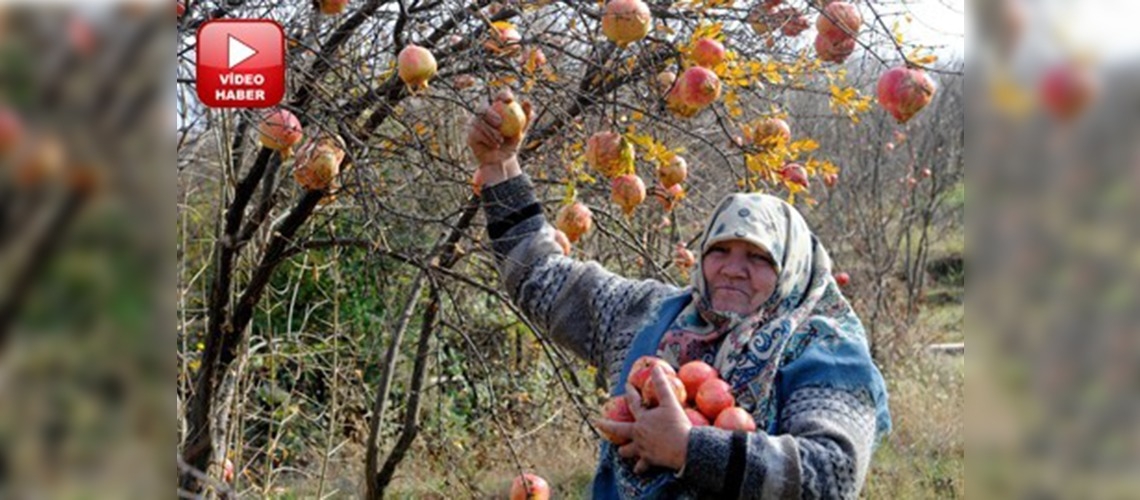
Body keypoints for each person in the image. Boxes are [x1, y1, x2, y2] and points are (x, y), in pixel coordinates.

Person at [467, 90, 891, 499]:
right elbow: (539, 277)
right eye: (719, 250)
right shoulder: (648, 316)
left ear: (792, 270)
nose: (732, 269)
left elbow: (835, 476)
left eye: (759, 258)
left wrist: (689, 449)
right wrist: (501, 168)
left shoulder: (825, 350)